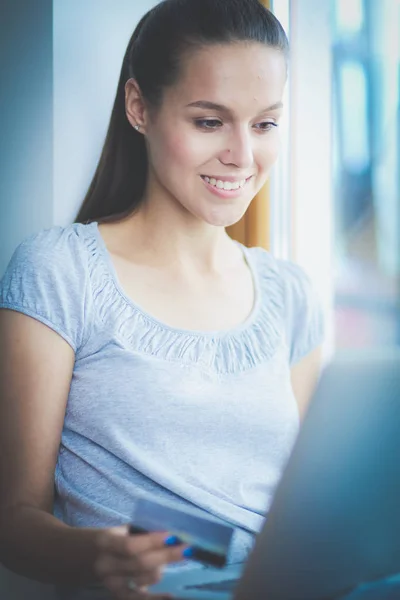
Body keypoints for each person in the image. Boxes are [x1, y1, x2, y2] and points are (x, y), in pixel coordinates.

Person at [0, 0, 324, 598]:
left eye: (265, 124)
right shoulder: (59, 270)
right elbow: (12, 521)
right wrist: (97, 552)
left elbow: (305, 513)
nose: (243, 157)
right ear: (139, 107)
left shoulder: (291, 295)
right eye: (209, 121)